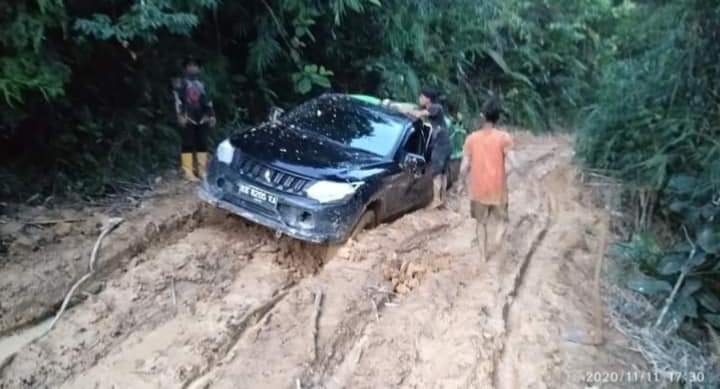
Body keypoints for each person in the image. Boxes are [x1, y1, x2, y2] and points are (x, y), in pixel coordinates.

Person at [460, 98, 516, 262]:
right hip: (498, 189)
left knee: (480, 223)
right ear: (497, 118)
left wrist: (461, 183)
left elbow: (464, 166)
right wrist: (510, 174)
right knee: (503, 221)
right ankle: (497, 241)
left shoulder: (471, 139)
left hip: (478, 189)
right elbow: (514, 162)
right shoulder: (504, 138)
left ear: (482, 116)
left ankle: (483, 256)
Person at [405, 88, 452, 208]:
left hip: (440, 144)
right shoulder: (436, 108)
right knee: (443, 173)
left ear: (427, 98)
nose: (420, 99)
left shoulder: (435, 107)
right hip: (445, 143)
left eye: (421, 97)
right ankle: (443, 200)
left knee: (436, 173)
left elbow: (419, 114)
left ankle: (437, 200)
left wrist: (403, 109)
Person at [173, 57, 217, 181]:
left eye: (195, 65)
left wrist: (212, 115)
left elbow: (208, 101)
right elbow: (177, 100)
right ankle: (187, 171)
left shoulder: (203, 83)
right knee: (187, 143)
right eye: (190, 65)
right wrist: (180, 115)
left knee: (202, 143)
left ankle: (202, 169)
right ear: (185, 68)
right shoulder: (180, 83)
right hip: (188, 117)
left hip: (202, 117)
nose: (193, 68)